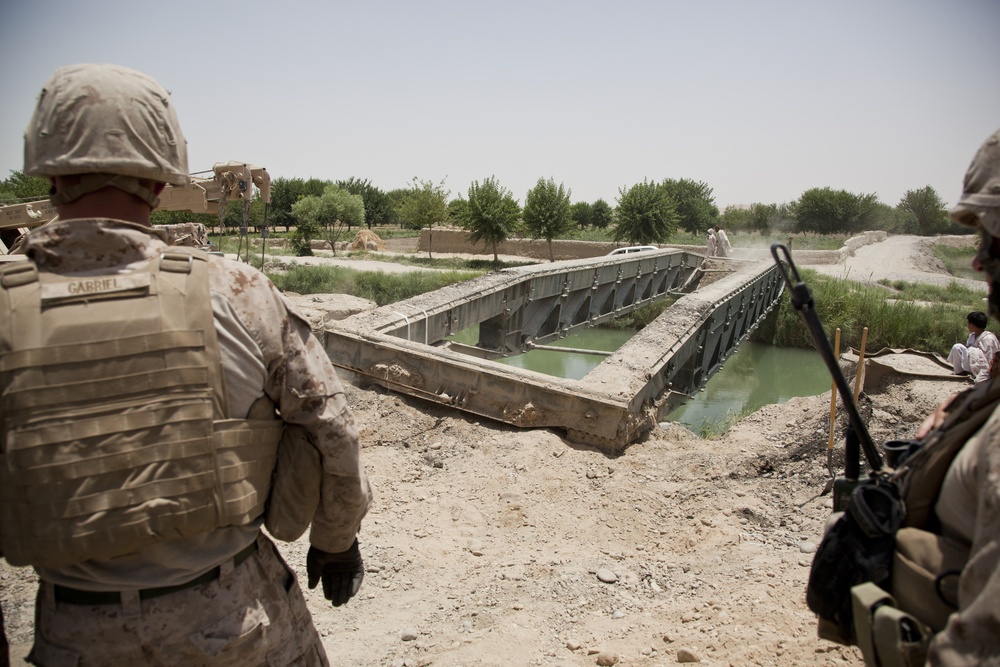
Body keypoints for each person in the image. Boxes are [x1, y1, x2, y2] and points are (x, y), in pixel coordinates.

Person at [0, 64, 372, 666]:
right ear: (159, 179)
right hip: (238, 624)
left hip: (75, 635)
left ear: (47, 168)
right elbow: (331, 428)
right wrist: (336, 543)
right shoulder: (237, 291)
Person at [946, 310, 999, 382]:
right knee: (957, 347)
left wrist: (971, 350)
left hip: (983, 368)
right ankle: (960, 372)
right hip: (972, 364)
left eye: (968, 323)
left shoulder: (988, 338)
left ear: (973, 325)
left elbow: (990, 358)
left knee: (960, 347)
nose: (967, 325)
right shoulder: (972, 336)